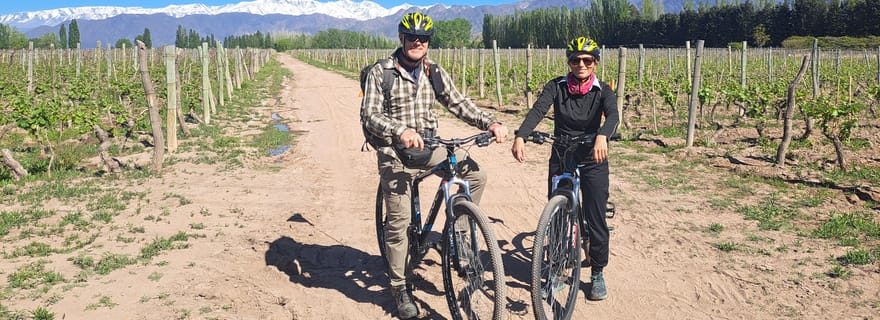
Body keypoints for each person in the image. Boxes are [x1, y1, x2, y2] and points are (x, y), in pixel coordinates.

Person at [360, 12, 507, 319]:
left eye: (423, 39)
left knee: (475, 174)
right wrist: (401, 130)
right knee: (398, 222)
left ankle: (459, 232)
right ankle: (399, 286)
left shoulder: (433, 71)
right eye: (412, 37)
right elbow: (370, 116)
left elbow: (457, 101)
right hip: (395, 152)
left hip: (429, 147)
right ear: (401, 39)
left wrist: (489, 122)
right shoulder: (381, 72)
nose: (418, 43)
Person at [511, 36, 618, 301]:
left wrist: (603, 135)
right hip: (562, 154)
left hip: (593, 156)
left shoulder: (602, 90)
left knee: (595, 217)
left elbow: (614, 115)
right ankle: (558, 270)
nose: (580, 64)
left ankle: (597, 273)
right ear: (569, 62)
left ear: (595, 63)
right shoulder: (556, 86)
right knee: (558, 215)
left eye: (587, 60)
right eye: (575, 59)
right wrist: (521, 135)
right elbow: (538, 110)